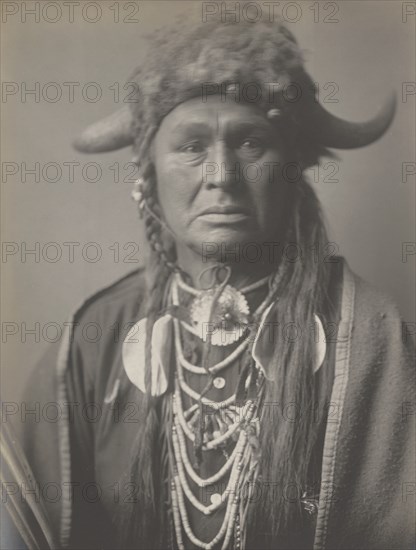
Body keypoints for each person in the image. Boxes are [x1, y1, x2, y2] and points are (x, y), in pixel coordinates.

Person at [17, 17, 414, 550]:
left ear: (294, 171)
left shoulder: (370, 337)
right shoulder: (95, 337)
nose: (222, 174)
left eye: (251, 143)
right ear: (148, 176)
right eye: (191, 145)